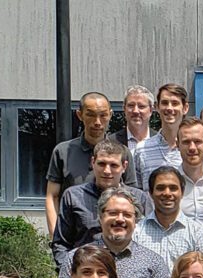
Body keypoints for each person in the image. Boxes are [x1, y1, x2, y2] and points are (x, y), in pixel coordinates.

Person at [45, 92, 137, 235]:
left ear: (110, 115)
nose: (98, 122)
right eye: (91, 115)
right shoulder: (63, 151)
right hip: (75, 237)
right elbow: (52, 196)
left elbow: (132, 196)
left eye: (103, 115)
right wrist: (55, 237)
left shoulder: (122, 152)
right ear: (79, 115)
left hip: (115, 237)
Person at [50, 139, 150, 265]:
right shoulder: (73, 196)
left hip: (128, 272)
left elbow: (147, 241)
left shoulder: (139, 199)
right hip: (86, 275)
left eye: (114, 165)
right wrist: (70, 273)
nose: (107, 171)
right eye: (102, 164)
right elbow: (61, 244)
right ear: (93, 163)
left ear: (124, 167)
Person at [131, 165, 203, 271]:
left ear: (182, 192)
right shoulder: (137, 233)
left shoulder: (197, 233)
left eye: (173, 188)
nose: (167, 193)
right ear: (150, 193)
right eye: (160, 188)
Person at [133, 84, 191, 190]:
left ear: (185, 108)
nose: (169, 108)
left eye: (175, 103)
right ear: (157, 107)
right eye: (164, 103)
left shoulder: (197, 149)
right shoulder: (141, 150)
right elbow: (137, 194)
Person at [109, 85, 156, 152]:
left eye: (141, 106)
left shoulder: (161, 142)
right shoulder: (111, 142)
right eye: (131, 106)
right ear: (124, 109)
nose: (135, 111)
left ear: (151, 110)